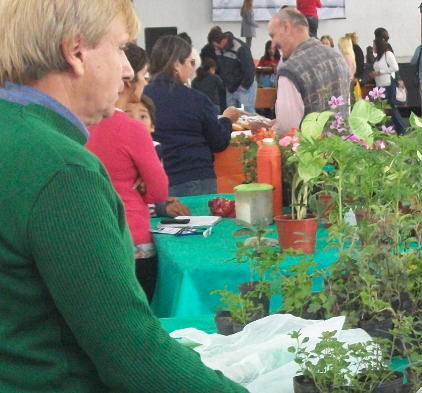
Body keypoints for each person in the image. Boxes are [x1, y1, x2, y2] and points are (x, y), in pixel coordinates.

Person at [0, 0, 248, 391]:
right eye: (120, 48)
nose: (129, 70)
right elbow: (130, 353)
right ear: (75, 51)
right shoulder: (61, 170)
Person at [86, 43, 168, 303]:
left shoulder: (81, 123)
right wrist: (142, 183)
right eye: (144, 75)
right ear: (129, 79)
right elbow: (159, 191)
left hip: (93, 233)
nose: (145, 81)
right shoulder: (133, 130)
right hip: (133, 237)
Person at [144, 35, 244, 196]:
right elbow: (218, 141)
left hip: (155, 181)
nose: (192, 68)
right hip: (194, 178)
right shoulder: (196, 99)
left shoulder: (140, 99)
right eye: (190, 63)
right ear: (177, 64)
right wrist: (226, 120)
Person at [268, 8, 350, 136]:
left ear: (286, 27)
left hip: (309, 153)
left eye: (273, 36)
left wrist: (268, 133)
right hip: (343, 150)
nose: (272, 44)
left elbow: (287, 128)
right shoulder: (338, 57)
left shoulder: (290, 69)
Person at [125, 95, 194, 219]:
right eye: (128, 117)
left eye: (143, 117)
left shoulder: (155, 149)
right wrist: (161, 207)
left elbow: (154, 192)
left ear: (152, 126)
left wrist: (162, 202)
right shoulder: (119, 152)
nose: (136, 122)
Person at [209, 26, 258, 115]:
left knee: (246, 116)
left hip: (244, 88)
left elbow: (250, 70)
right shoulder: (219, 50)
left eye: (216, 46)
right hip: (230, 88)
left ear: (223, 41)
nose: (215, 49)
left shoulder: (240, 47)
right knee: (231, 117)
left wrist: (243, 87)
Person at [371, 37, 406, 135]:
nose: (373, 47)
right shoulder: (378, 57)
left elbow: (395, 67)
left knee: (390, 107)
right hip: (379, 86)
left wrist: (381, 72)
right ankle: (383, 128)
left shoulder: (388, 54)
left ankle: (401, 129)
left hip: (388, 84)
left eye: (374, 45)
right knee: (381, 107)